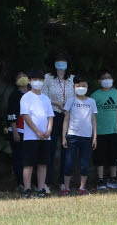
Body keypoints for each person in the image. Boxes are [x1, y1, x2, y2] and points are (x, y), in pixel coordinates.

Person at [20, 69, 54, 198]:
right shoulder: (26, 97)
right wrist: (37, 131)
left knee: (43, 163)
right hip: (30, 136)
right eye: (35, 80)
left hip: (45, 137)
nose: (37, 83)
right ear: (29, 81)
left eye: (40, 80)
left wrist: (49, 130)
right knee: (28, 163)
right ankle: (27, 189)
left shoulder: (45, 98)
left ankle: (41, 189)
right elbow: (25, 115)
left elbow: (50, 116)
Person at [61, 75, 97, 195]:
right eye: (78, 85)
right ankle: (66, 188)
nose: (81, 88)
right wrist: (63, 136)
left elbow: (93, 120)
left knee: (84, 163)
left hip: (87, 137)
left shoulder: (91, 102)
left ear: (87, 87)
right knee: (69, 163)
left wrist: (94, 137)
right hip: (72, 136)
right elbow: (66, 119)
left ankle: (82, 188)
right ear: (74, 87)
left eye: (83, 85)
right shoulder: (71, 100)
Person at [91, 70, 117, 190]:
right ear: (99, 81)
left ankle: (113, 179)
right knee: (100, 156)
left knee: (113, 156)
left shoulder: (115, 92)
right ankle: (100, 180)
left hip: (113, 130)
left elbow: (116, 108)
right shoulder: (94, 95)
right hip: (100, 131)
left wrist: (114, 124)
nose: (107, 80)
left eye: (109, 77)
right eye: (104, 78)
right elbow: (91, 114)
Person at [43, 53, 74, 188]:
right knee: (50, 148)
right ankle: (47, 181)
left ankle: (63, 181)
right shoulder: (48, 78)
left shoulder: (72, 79)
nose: (61, 64)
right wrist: (56, 103)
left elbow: (78, 95)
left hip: (68, 116)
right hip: (52, 115)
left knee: (65, 148)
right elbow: (42, 97)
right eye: (58, 61)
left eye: (64, 62)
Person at [6, 71, 28, 191]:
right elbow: (11, 114)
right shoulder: (14, 95)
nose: (22, 79)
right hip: (17, 130)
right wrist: (14, 131)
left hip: (29, 130)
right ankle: (20, 183)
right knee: (18, 157)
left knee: (28, 157)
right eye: (19, 77)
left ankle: (29, 182)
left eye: (24, 76)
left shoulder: (32, 94)